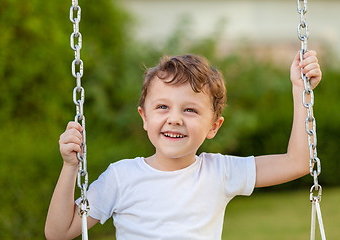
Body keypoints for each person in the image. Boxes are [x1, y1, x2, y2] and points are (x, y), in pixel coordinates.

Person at [45, 50, 322, 240]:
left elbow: (296, 163)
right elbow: (59, 232)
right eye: (163, 106)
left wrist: (300, 90)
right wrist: (70, 167)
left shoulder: (219, 172)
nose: (174, 119)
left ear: (214, 126)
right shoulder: (121, 177)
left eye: (190, 110)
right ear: (144, 117)